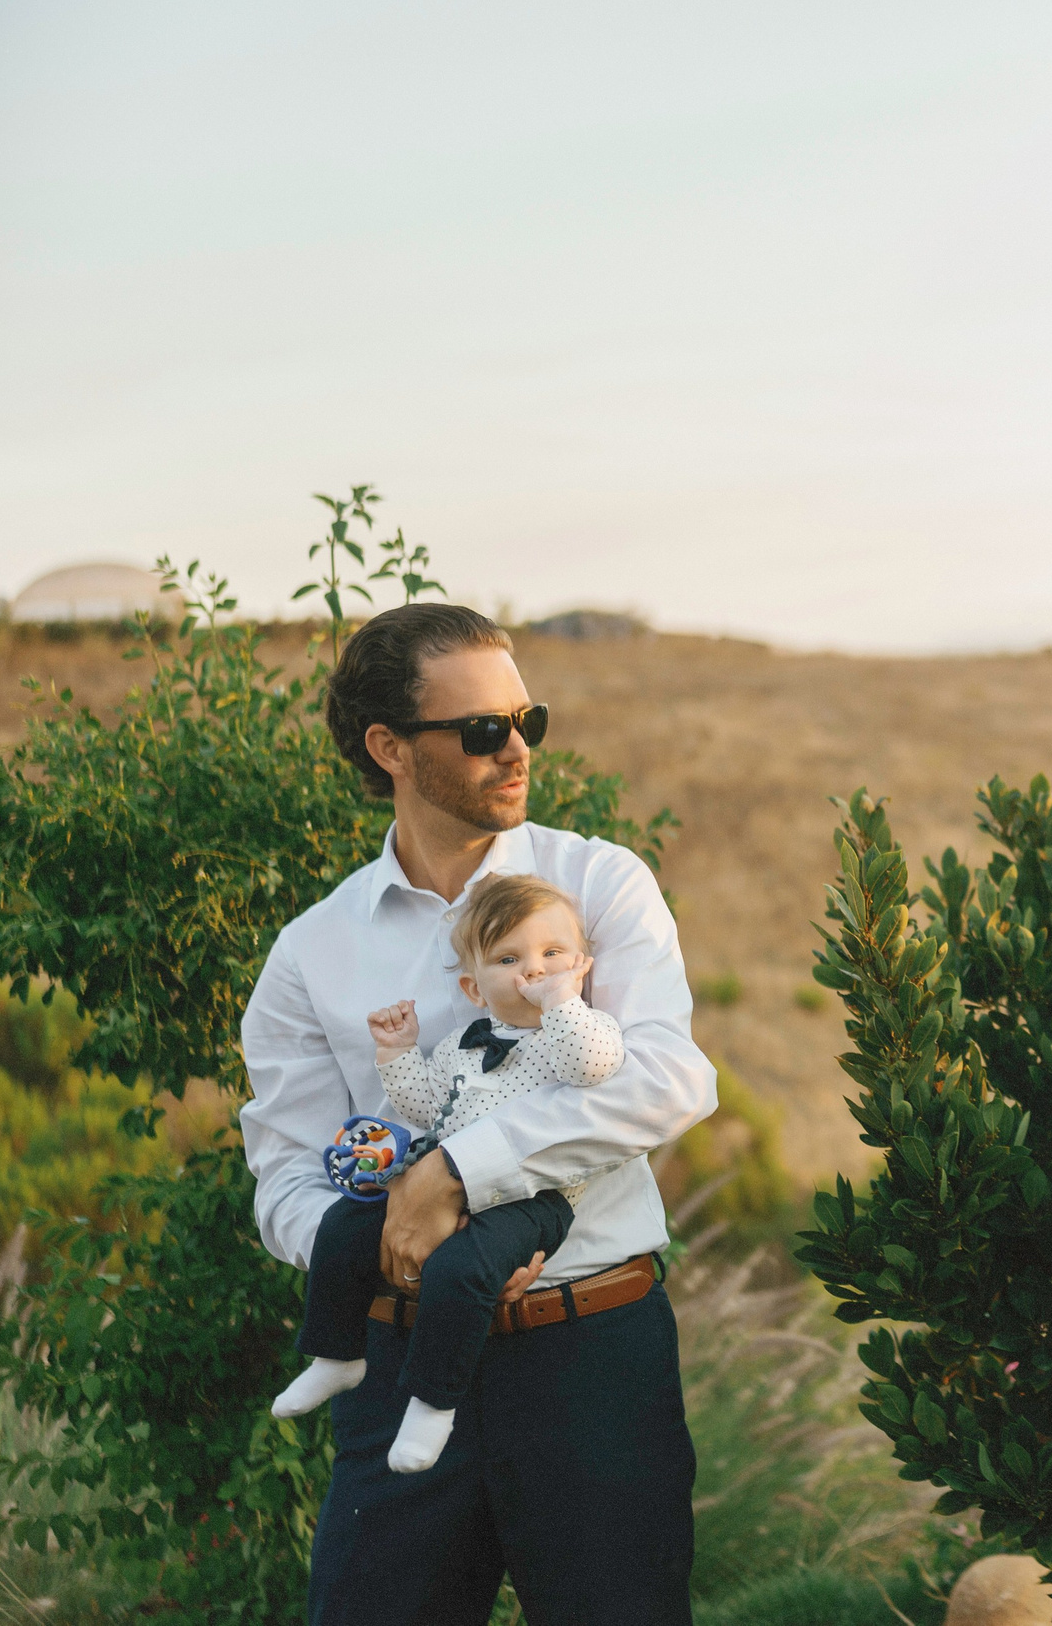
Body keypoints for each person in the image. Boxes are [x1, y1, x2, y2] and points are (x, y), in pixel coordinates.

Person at [240, 602, 717, 1626]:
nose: (516, 750)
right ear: (388, 748)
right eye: (481, 730)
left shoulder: (599, 885)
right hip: (401, 1362)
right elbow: (282, 1177)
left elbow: (669, 1080)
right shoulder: (310, 953)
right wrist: (381, 1244)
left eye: (525, 720)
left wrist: (456, 1175)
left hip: (593, 1356)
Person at [271, 874, 625, 1476]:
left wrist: (563, 1000)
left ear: (582, 965)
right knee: (346, 1226)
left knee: (463, 1270)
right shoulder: (464, 1041)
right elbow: (424, 1106)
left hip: (529, 1198)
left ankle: (433, 1403)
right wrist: (397, 1052)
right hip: (437, 1179)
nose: (534, 972)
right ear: (474, 987)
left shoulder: (581, 1029)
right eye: (509, 959)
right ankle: (337, 1353)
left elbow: (593, 1068)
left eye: (552, 955)